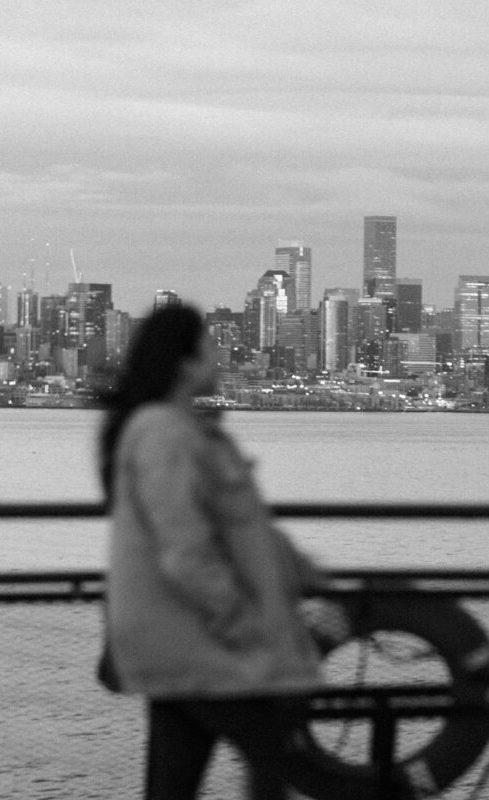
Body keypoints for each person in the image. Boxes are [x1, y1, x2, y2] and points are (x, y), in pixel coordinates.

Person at [99, 304, 324, 800]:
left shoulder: (180, 431)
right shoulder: (163, 434)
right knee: (273, 756)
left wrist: (306, 573)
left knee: (172, 788)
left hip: (178, 644)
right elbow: (185, 551)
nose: (219, 358)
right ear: (185, 363)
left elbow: (239, 528)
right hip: (201, 641)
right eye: (210, 347)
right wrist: (240, 622)